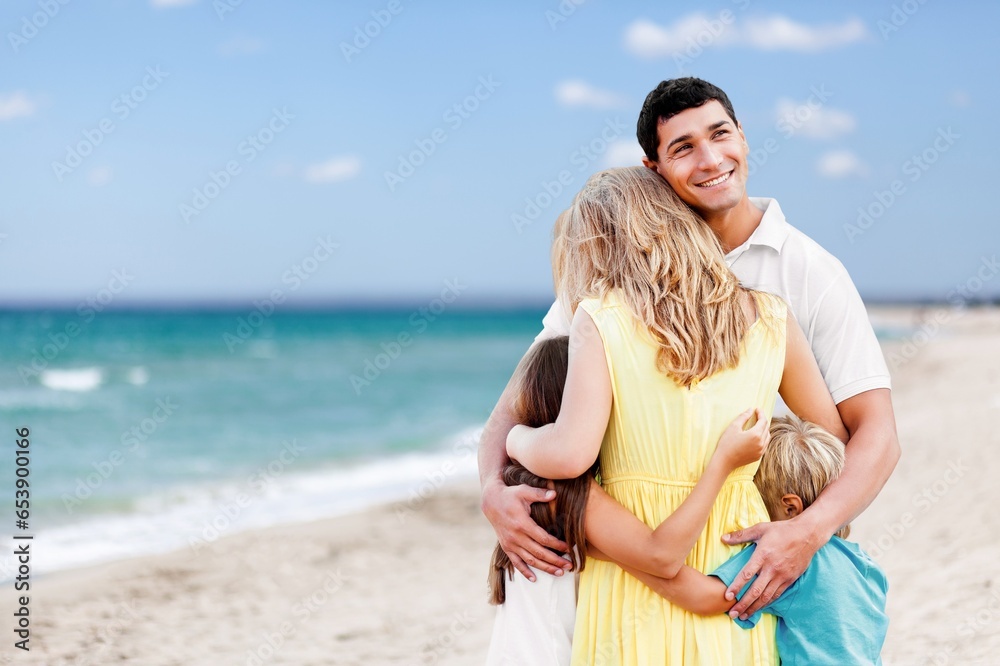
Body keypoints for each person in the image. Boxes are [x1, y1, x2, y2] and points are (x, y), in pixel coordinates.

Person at [479, 77, 899, 622]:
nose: (710, 159)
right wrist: (493, 491)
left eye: (720, 134)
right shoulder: (612, 273)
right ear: (654, 169)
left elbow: (874, 435)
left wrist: (805, 532)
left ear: (743, 138)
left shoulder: (807, 272)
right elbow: (512, 409)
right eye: (683, 147)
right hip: (625, 553)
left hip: (731, 551)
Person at [505, 166, 848, 663]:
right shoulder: (772, 316)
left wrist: (516, 438)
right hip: (738, 560)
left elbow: (571, 452)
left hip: (634, 559)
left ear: (600, 246)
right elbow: (829, 439)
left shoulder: (602, 318)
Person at [486, 337, 775, 665]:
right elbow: (690, 582)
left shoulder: (520, 486)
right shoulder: (562, 496)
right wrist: (723, 462)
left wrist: (514, 438)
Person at [587, 414, 889, 665]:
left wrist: (617, 552)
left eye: (755, 498)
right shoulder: (863, 565)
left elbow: (707, 597)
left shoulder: (790, 560)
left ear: (790, 508)